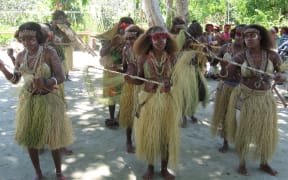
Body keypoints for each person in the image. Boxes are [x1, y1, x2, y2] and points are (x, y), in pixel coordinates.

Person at [0, 22, 73, 180]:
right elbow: (15, 79)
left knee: (53, 138)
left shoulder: (49, 52)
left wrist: (46, 82)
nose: (27, 42)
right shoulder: (20, 56)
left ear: (38, 38)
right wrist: (3, 69)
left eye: (30, 39)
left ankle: (59, 173)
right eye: (23, 39)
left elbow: (60, 77)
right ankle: (38, 173)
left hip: (49, 101)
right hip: (28, 102)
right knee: (30, 139)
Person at [225, 24, 285, 176]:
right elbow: (226, 75)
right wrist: (227, 66)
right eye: (246, 36)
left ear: (260, 37)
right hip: (245, 97)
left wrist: (280, 77)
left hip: (264, 99)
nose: (248, 38)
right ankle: (242, 162)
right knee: (243, 130)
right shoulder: (240, 57)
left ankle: (264, 162)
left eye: (252, 35)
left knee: (265, 131)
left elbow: (282, 74)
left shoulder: (272, 55)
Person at [133, 26, 179, 179]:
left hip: (167, 100)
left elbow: (178, 80)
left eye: (163, 37)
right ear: (150, 40)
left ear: (167, 39)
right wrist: (131, 76)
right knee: (150, 135)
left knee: (166, 136)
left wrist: (170, 83)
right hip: (149, 100)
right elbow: (138, 79)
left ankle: (164, 168)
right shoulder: (143, 58)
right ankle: (150, 168)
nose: (160, 41)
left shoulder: (172, 57)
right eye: (156, 38)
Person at [210, 24, 246, 153]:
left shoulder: (249, 52)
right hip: (226, 86)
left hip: (243, 89)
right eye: (238, 34)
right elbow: (213, 62)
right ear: (234, 34)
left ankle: (241, 142)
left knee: (241, 117)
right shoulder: (226, 48)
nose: (240, 37)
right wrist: (211, 54)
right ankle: (225, 141)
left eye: (243, 35)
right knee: (225, 114)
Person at [99, 17, 134, 129]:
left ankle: (120, 116)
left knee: (125, 95)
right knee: (112, 95)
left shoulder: (133, 39)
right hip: (111, 71)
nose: (125, 29)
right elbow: (102, 53)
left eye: (129, 27)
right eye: (123, 26)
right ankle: (112, 117)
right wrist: (111, 43)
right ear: (119, 26)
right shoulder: (111, 38)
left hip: (125, 72)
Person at [118, 24, 144, 153]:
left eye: (132, 38)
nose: (129, 41)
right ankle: (128, 141)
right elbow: (124, 68)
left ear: (139, 37)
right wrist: (123, 71)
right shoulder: (125, 50)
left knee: (142, 115)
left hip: (143, 87)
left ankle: (142, 140)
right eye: (127, 39)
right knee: (129, 113)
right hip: (130, 86)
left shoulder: (145, 51)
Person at [51, 10, 74, 81]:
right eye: (60, 18)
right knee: (57, 61)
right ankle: (57, 75)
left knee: (65, 61)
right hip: (56, 46)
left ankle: (66, 75)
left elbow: (70, 35)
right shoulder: (52, 25)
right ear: (55, 18)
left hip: (65, 45)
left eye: (62, 18)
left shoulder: (66, 24)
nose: (61, 20)